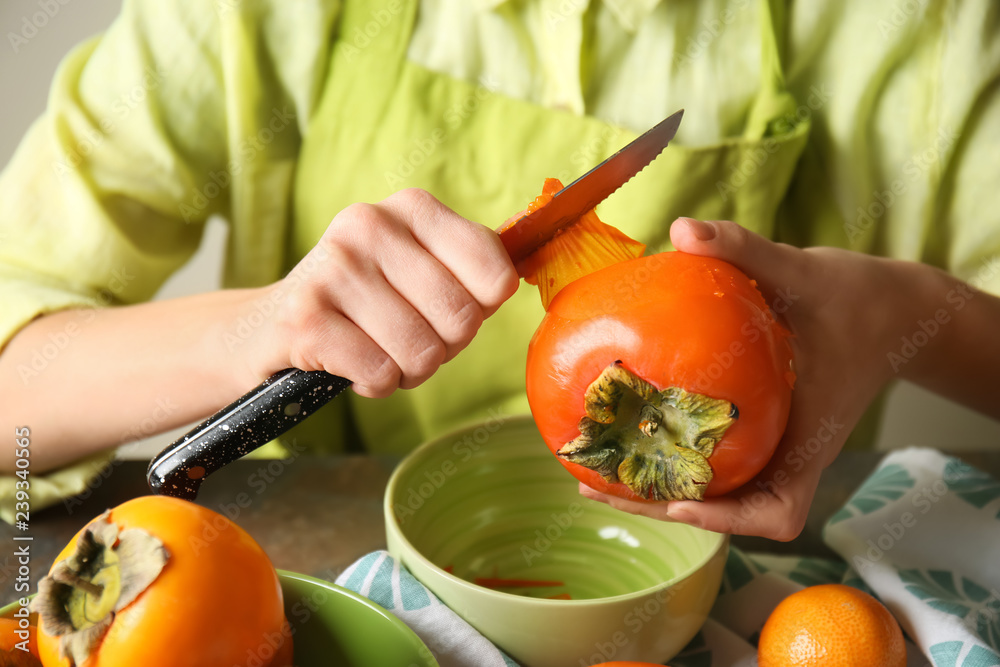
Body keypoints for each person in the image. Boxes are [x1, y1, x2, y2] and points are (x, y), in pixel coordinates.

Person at [1, 0, 998, 540]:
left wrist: (915, 312)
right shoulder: (252, 17)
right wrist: (252, 331)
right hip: (319, 595)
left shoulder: (913, 28)